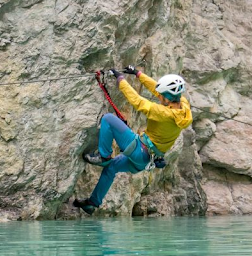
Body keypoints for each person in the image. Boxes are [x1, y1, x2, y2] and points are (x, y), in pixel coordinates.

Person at [73, 66, 192, 212]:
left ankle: (103, 156)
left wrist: (120, 79)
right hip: (146, 160)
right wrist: (138, 74)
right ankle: (93, 203)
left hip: (139, 150)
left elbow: (137, 102)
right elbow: (156, 89)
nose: (159, 96)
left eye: (161, 96)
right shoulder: (183, 105)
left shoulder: (164, 113)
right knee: (112, 168)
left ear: (167, 98)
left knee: (109, 119)